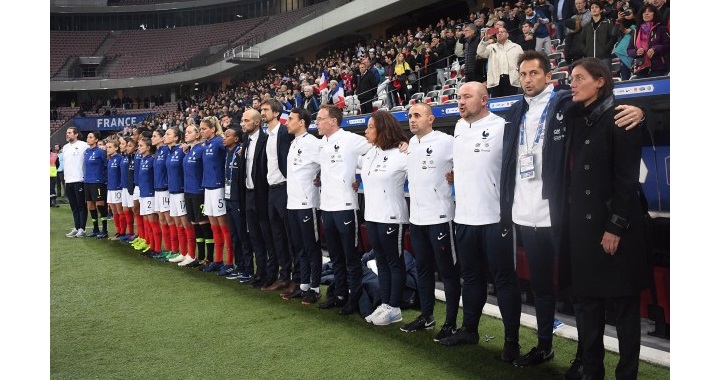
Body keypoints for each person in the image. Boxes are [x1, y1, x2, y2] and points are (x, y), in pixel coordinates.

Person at [500, 50, 645, 375]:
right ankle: (546, 345)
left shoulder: (566, 104)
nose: (527, 79)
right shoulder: (513, 111)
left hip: (563, 217)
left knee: (582, 295)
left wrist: (641, 110)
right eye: (522, 74)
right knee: (543, 287)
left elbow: (610, 107)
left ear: (548, 77)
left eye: (534, 73)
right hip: (526, 213)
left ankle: (584, 360)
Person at [565, 57, 647, 380]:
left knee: (625, 311)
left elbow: (627, 180)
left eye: (579, 78)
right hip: (583, 233)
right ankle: (592, 371)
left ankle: (627, 375)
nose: (572, 83)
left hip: (616, 231)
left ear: (600, 81)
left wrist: (615, 226)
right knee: (587, 308)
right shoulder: (576, 116)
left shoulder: (622, 118)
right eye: (571, 77)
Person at [437, 82, 522, 360]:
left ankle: (512, 342)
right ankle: (469, 330)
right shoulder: (459, 128)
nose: (460, 102)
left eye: (467, 97)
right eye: (458, 97)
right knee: (471, 278)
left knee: (504, 280)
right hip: (464, 217)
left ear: (484, 100)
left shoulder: (503, 127)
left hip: (496, 218)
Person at [398, 103, 461, 341]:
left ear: (431, 119)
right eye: (410, 116)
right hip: (417, 219)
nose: (412, 120)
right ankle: (426, 316)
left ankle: (452, 323)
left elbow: (465, 163)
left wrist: (457, 175)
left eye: (417, 116)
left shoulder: (445, 141)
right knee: (423, 270)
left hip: (440, 218)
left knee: (448, 272)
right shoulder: (412, 144)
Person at [314, 105, 372, 315]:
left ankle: (354, 299)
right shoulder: (322, 143)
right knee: (335, 256)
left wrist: (362, 178)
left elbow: (375, 150)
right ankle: (339, 295)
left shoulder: (350, 139)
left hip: (345, 207)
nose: (317, 122)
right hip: (326, 207)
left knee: (351, 257)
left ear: (333, 121)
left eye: (321, 119)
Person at [359, 110, 409, 326]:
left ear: (383, 128)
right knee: (380, 261)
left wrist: (410, 145)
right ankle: (385, 304)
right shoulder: (371, 152)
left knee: (394, 262)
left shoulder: (403, 153)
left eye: (371, 126)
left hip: (391, 216)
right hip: (372, 215)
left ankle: (394, 307)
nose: (366, 130)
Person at [284, 107, 323, 304]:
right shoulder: (294, 143)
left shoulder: (313, 143)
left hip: (308, 203)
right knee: (299, 247)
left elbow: (327, 163)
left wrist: (321, 176)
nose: (287, 122)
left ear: (302, 122)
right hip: (292, 202)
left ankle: (315, 288)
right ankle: (303, 285)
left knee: (311, 247)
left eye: (290, 119)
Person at [258, 99, 296, 292]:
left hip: (284, 188)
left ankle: (296, 279)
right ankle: (284, 276)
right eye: (261, 109)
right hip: (271, 189)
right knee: (277, 236)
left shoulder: (284, 133)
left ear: (276, 112)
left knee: (289, 235)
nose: (262, 113)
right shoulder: (267, 135)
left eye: (265, 109)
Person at [239, 108, 274, 289]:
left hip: (262, 195)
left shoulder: (266, 140)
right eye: (243, 121)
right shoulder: (246, 141)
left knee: (267, 237)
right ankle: (259, 272)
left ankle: (271, 273)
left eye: (246, 121)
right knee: (254, 237)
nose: (243, 124)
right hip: (248, 194)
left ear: (257, 122)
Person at [199, 116, 235, 274]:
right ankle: (218, 260)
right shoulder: (206, 144)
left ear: (213, 129)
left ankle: (229, 262)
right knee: (214, 227)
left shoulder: (220, 142)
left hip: (218, 187)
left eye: (204, 129)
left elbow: (232, 150)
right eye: (200, 129)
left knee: (224, 227)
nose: (202, 131)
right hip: (207, 187)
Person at [222, 126, 255, 282]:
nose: (224, 137)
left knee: (243, 236)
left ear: (236, 139)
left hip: (239, 200)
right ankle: (239, 266)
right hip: (229, 198)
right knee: (234, 235)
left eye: (227, 135)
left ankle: (248, 269)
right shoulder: (228, 153)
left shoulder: (241, 152)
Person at [178, 124, 207, 268]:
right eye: (186, 132)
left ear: (197, 135)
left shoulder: (201, 150)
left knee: (203, 224)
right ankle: (199, 256)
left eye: (190, 132)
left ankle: (207, 258)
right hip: (188, 191)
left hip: (199, 192)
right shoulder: (188, 151)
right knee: (195, 224)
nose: (186, 134)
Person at [164, 127, 193, 265]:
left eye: (168, 134)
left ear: (176, 138)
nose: (165, 136)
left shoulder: (182, 150)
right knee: (177, 223)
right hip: (172, 191)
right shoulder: (169, 152)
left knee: (185, 223)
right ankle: (183, 252)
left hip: (181, 191)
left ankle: (191, 254)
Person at [477, 26, 523, 98]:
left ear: (507, 35)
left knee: (511, 103)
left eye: (502, 32)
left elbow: (522, 63)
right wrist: (486, 39)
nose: (499, 34)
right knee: (496, 104)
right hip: (496, 81)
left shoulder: (516, 47)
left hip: (512, 80)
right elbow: (480, 52)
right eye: (498, 32)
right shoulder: (491, 47)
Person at [627, 4, 669, 78]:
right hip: (640, 67)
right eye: (644, 12)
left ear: (654, 14)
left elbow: (668, 45)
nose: (646, 13)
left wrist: (655, 49)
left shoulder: (661, 28)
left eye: (649, 11)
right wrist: (636, 52)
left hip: (657, 66)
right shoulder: (636, 31)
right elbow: (629, 50)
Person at [150, 129, 173, 260]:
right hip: (157, 188)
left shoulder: (165, 150)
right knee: (162, 220)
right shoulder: (158, 152)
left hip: (164, 189)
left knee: (169, 220)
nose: (152, 138)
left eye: (155, 136)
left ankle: (172, 249)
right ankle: (166, 248)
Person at [137, 135, 160, 257]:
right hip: (143, 194)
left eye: (141, 145)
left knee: (153, 222)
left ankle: (156, 249)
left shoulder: (152, 160)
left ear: (148, 147)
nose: (138, 147)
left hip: (150, 194)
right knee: (147, 222)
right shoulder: (143, 160)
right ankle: (151, 246)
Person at [64, 127, 89, 238]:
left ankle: (82, 229)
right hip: (68, 180)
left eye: (69, 133)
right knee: (73, 206)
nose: (67, 134)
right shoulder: (65, 148)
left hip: (79, 179)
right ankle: (76, 227)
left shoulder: (84, 145)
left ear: (76, 134)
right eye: (67, 133)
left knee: (81, 206)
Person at [83, 131, 109, 239]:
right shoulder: (86, 152)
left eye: (90, 137)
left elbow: (105, 166)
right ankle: (95, 229)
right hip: (87, 182)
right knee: (90, 205)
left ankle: (104, 230)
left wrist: (105, 179)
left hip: (98, 182)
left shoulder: (100, 152)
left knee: (100, 205)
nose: (88, 139)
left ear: (96, 139)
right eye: (88, 137)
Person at [579, 1, 616, 70]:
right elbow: (582, 41)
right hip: (590, 59)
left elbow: (613, 38)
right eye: (592, 8)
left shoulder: (607, 23)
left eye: (596, 7)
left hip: (604, 58)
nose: (594, 9)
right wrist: (586, 50)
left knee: (606, 79)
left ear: (601, 10)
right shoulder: (587, 26)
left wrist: (606, 49)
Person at [105, 139, 124, 238]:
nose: (108, 149)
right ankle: (118, 231)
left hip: (117, 188)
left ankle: (122, 231)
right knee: (114, 211)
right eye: (107, 147)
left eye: (110, 147)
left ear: (116, 148)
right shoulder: (110, 159)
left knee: (120, 210)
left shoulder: (120, 158)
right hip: (110, 188)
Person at [118, 137, 137, 242]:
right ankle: (130, 233)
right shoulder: (125, 157)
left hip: (131, 187)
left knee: (134, 210)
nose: (121, 146)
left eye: (123, 144)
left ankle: (136, 234)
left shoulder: (133, 158)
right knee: (126, 210)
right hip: (124, 186)